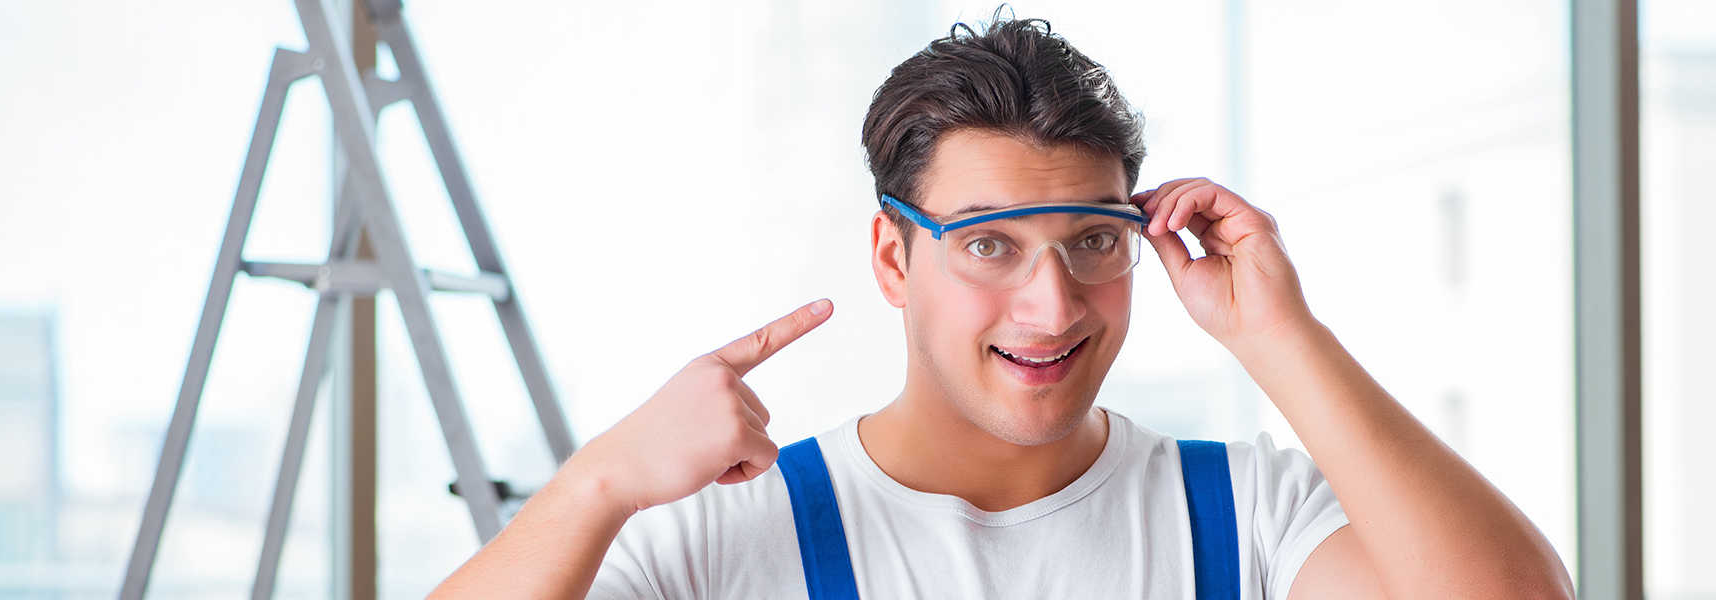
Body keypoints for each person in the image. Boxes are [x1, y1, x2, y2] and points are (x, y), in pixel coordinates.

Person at [431, 15, 1573, 600]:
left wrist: (1280, 337)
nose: (1051, 301)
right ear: (892, 256)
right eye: (986, 245)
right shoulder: (733, 532)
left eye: (1090, 240)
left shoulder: (1249, 518)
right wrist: (597, 484)